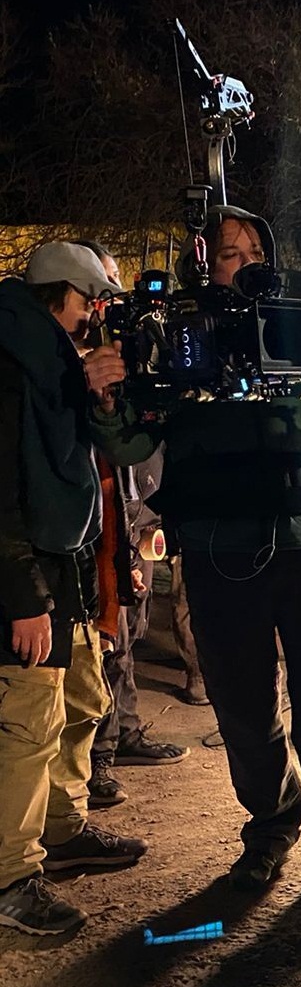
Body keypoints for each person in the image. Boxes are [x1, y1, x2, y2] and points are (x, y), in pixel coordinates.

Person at [83, 205, 301, 890]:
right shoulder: (172, 339)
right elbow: (129, 443)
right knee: (245, 712)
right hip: (217, 556)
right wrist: (106, 398)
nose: (242, 266)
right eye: (227, 255)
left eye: (253, 254)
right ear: (202, 265)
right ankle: (271, 826)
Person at [0, 242, 148, 936]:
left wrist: (99, 393)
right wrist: (25, 595)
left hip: (69, 565)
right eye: (92, 302)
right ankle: (13, 876)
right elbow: (3, 493)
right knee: (29, 728)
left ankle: (62, 831)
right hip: (30, 572)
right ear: (64, 295)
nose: (97, 316)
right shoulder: (14, 361)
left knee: (79, 702)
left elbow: (108, 453)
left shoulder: (54, 360)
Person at [70, 242, 187, 810]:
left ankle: (126, 731)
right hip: (97, 522)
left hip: (133, 513)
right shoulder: (74, 363)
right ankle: (98, 755)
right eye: (103, 284)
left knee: (129, 634)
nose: (112, 297)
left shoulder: (138, 355)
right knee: (103, 641)